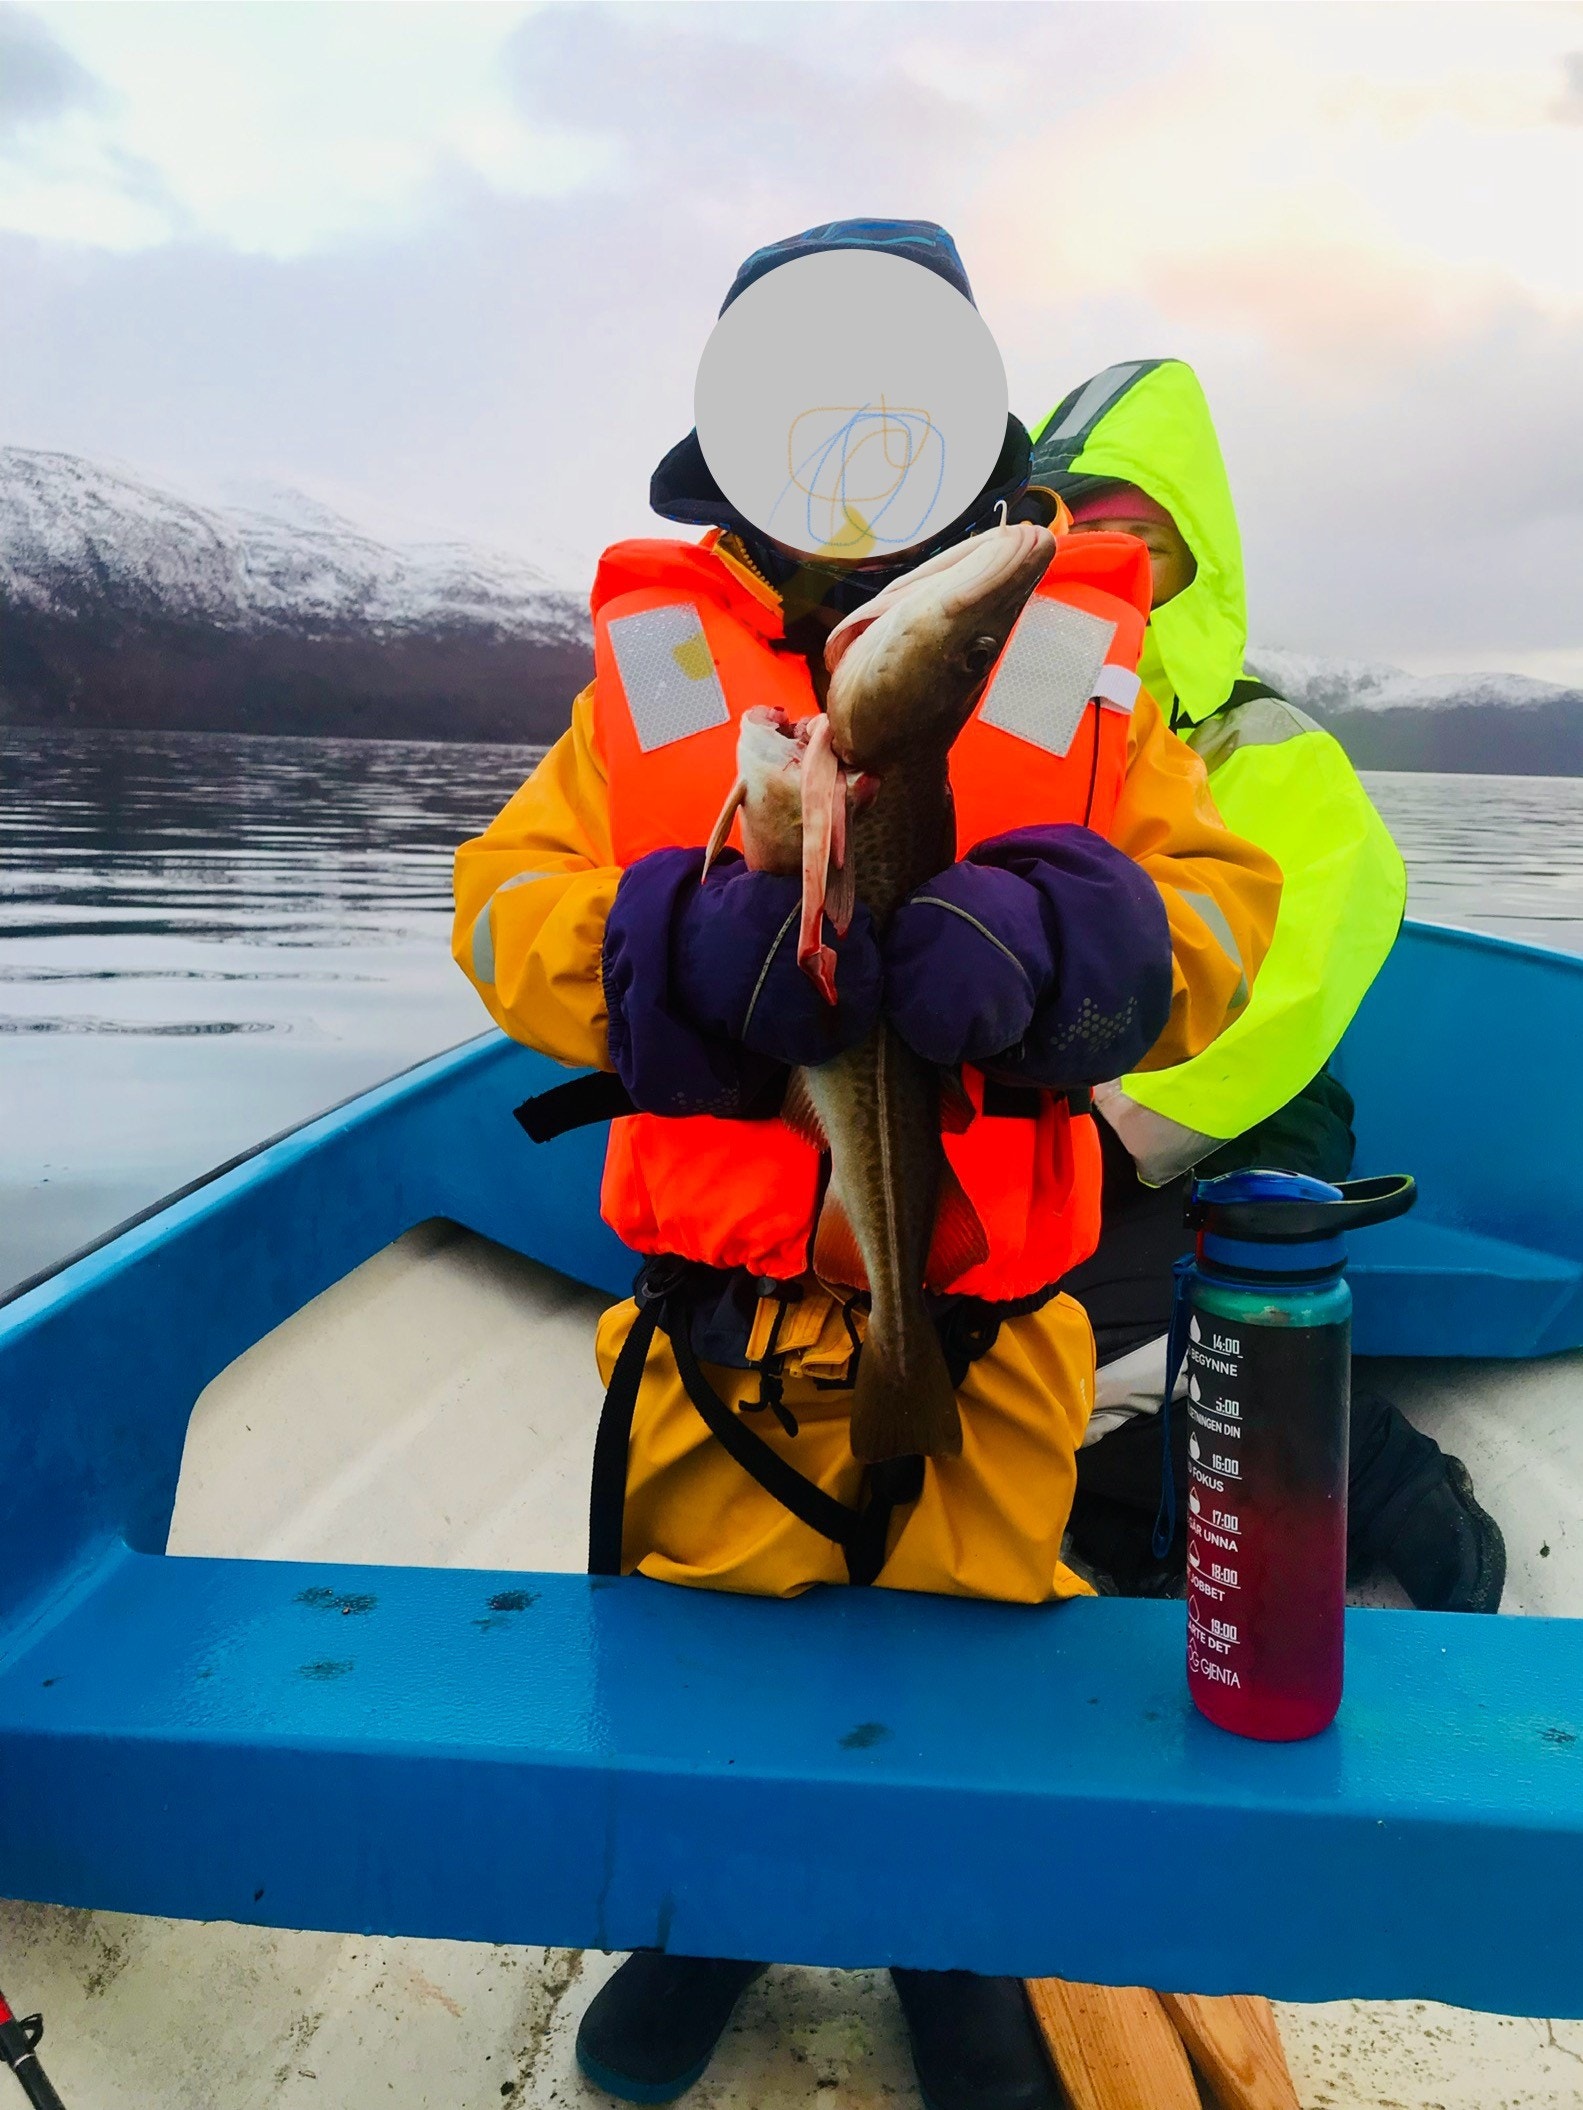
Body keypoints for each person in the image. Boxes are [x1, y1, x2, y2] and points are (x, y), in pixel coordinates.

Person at [453, 225, 1281, 2110]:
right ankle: (699, 1912)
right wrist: (649, 956)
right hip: (705, 1342)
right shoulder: (648, 678)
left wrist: (1088, 954)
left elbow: (1219, 912)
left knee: (975, 1672)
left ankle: (949, 1937)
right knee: (696, 1663)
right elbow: (502, 905)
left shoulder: (1074, 670)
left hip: (983, 1332)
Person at [1024, 357, 1505, 1613]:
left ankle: (1366, 1464)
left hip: (1220, 1123)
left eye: (1136, 542)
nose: (1105, 574)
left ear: (1199, 561)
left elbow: (1279, 999)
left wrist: (1088, 1147)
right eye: (1064, 539)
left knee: (1115, 1332)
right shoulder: (1010, 741)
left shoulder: (1268, 750)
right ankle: (1126, 1483)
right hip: (1037, 1127)